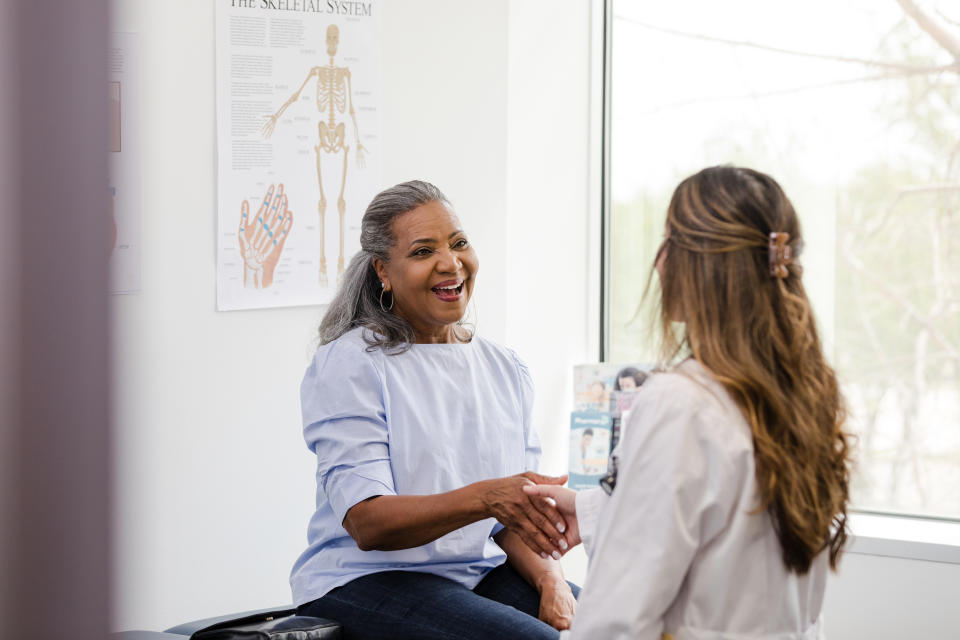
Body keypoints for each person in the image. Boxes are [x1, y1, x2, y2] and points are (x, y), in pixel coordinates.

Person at [527, 166, 854, 639]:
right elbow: (730, 520)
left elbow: (616, 619)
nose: (658, 261)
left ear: (701, 264)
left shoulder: (680, 403)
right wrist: (590, 511)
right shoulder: (805, 393)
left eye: (669, 241)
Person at [291, 180, 579, 639]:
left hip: (475, 570)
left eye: (459, 243)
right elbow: (368, 523)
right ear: (383, 272)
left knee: (616, 623)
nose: (451, 263)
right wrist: (486, 497)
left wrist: (552, 581)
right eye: (424, 252)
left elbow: (515, 520)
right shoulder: (351, 365)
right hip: (364, 579)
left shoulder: (504, 367)